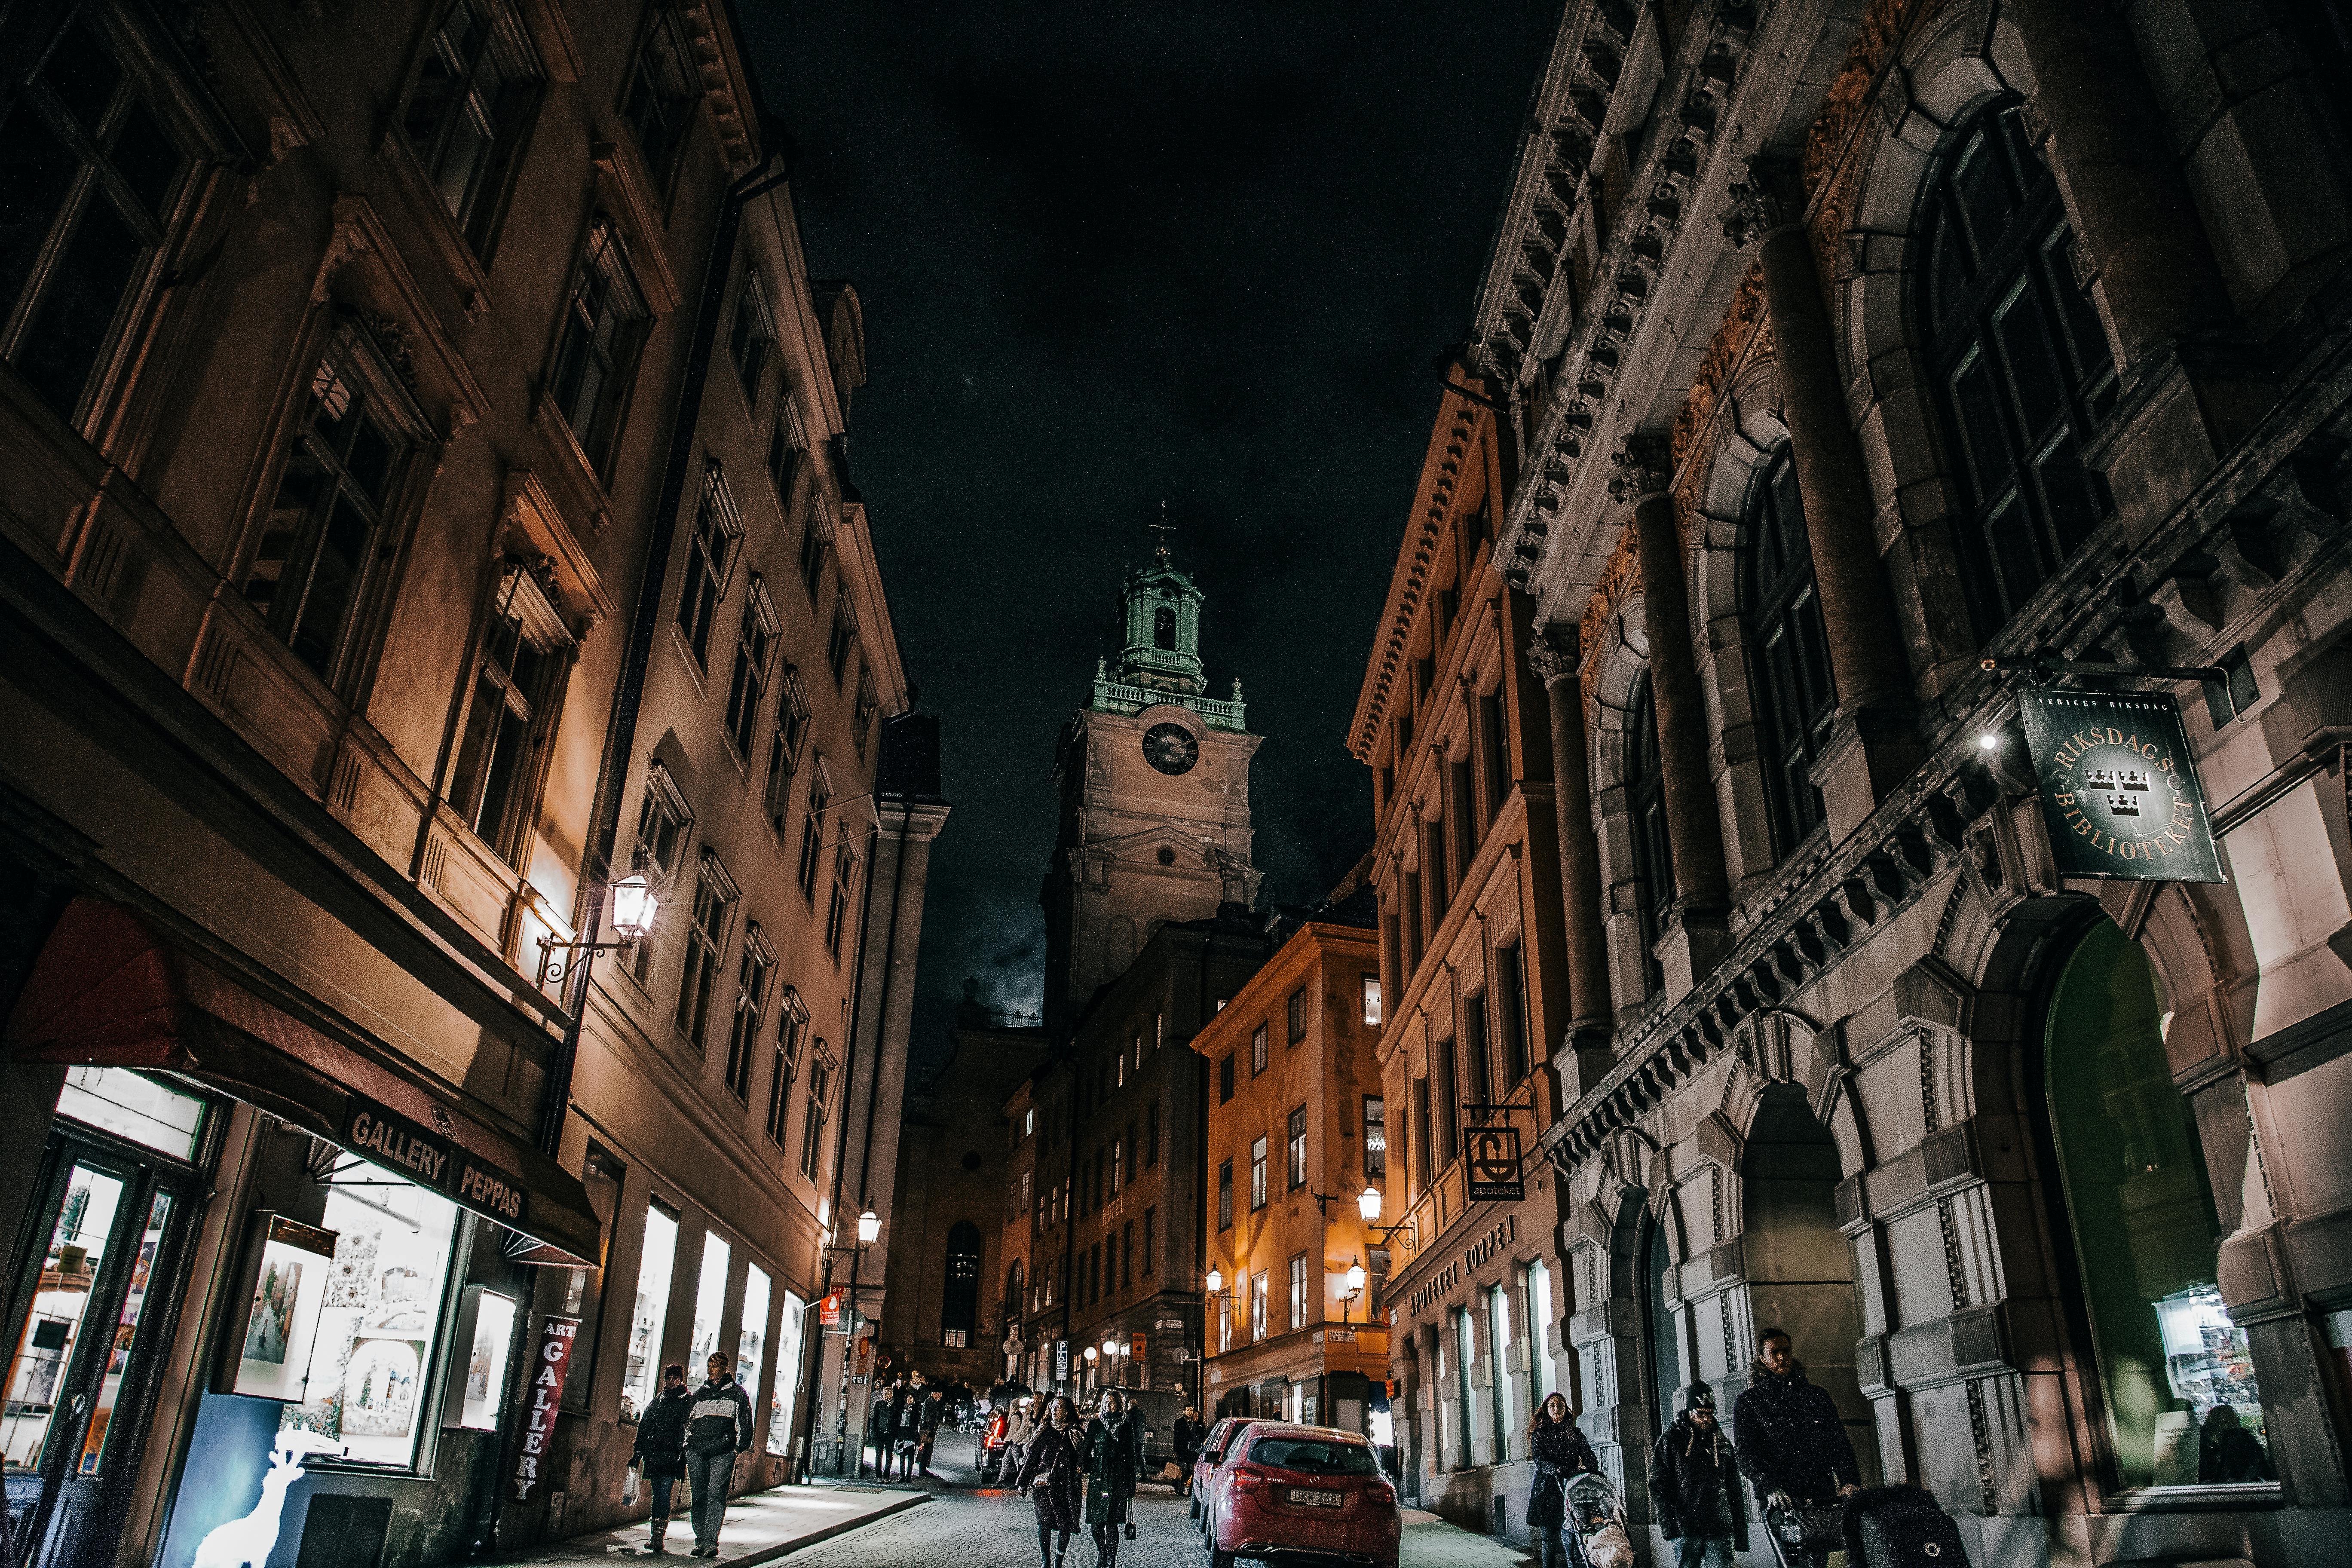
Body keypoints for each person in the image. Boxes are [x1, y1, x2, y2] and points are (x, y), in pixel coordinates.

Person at [1732, 1328, 1860, 1568]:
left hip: (1819, 1494)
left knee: (1819, 1561)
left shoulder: (1817, 1397)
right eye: (1774, 1353)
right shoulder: (1750, 1403)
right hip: (1781, 1501)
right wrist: (1770, 1487)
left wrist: (1849, 1480)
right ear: (1762, 1358)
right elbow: (1746, 1453)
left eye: (1785, 1351)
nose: (1781, 1358)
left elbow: (1839, 1442)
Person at [1650, 1383, 1747, 1568]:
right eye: (1700, 1414)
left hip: (1718, 1525)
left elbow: (1734, 1489)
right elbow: (1658, 1486)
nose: (1705, 1419)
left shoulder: (1721, 1443)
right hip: (1686, 1526)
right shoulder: (1671, 1441)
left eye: (1709, 1414)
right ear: (1689, 1411)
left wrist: (1740, 1534)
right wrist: (1670, 1525)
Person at [683, 1351, 753, 1558]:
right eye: (709, 1365)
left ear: (724, 1369)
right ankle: (701, 1539)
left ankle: (711, 1541)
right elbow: (688, 1422)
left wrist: (736, 1449)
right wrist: (688, 1444)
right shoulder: (700, 1395)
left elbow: (745, 1425)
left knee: (715, 1494)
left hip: (723, 1452)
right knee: (699, 1496)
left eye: (715, 1366)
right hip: (697, 1450)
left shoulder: (737, 1394)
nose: (711, 1370)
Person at [1524, 1390, 1600, 1568]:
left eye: (1560, 1406)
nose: (1557, 1409)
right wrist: (1556, 1470)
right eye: (1552, 1406)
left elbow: (1588, 1455)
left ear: (1566, 1409)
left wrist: (1591, 1470)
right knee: (1549, 1539)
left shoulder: (1575, 1433)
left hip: (1572, 1488)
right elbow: (1540, 1460)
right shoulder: (1540, 1434)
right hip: (1549, 1490)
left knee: (1574, 1536)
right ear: (1546, 1410)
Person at [1016, 1396, 1085, 1568]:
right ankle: (1045, 1560)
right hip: (1043, 1487)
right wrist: (1023, 1481)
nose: (1055, 1410)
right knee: (1044, 1523)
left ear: (1067, 1412)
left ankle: (1059, 1560)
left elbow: (1085, 1459)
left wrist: (1081, 1468)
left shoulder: (1075, 1434)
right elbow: (1032, 1458)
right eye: (1053, 1407)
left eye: (1059, 1407)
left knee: (1065, 1524)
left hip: (1066, 1488)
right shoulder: (1043, 1431)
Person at [630, 1364, 692, 1554]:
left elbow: (690, 1428)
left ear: (681, 1379)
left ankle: (658, 1537)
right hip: (655, 1455)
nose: (671, 1381)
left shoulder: (687, 1402)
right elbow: (645, 1427)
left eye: (675, 1377)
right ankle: (655, 1536)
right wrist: (638, 1454)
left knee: (663, 1493)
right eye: (668, 1377)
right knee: (658, 1494)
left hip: (673, 1456)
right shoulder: (658, 1402)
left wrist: (684, 1450)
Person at [1083, 1389, 1145, 1565]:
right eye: (1106, 1403)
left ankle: (1111, 1560)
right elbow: (1086, 1450)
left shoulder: (1126, 1427)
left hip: (1118, 1480)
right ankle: (1102, 1552)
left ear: (1119, 1406)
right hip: (1100, 1481)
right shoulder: (1095, 1425)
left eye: (1113, 1403)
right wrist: (1089, 1467)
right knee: (1096, 1524)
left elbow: (1131, 1456)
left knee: (1111, 1523)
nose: (1109, 1406)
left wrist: (1131, 1484)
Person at [2198, 1404, 2275, 1483]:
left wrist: (2240, 1480)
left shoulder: (2245, 1442)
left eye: (2227, 1422)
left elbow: (2259, 1467)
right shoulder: (2203, 1444)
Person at [874, 1375, 908, 1480]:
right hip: (880, 1432)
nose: (885, 1395)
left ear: (891, 1394)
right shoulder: (879, 1405)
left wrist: (897, 1434)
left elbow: (898, 1420)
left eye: (887, 1394)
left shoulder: (896, 1406)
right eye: (884, 1394)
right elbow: (875, 1419)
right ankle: (879, 1475)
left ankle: (887, 1475)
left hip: (891, 1433)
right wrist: (874, 1432)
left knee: (889, 1455)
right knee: (878, 1455)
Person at [1173, 1405, 1206, 1496]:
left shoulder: (1195, 1423)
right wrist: (1175, 1451)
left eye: (1192, 1410)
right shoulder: (1179, 1422)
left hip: (1192, 1451)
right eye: (1189, 1410)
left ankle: (1179, 1485)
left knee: (1190, 1472)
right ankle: (1180, 1490)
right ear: (1184, 1412)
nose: (1190, 1412)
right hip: (1183, 1450)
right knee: (1182, 1470)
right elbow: (1176, 1438)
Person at [918, 1384, 946, 1476]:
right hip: (928, 1430)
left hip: (928, 1429)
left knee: (927, 1450)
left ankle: (923, 1469)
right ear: (935, 1394)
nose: (941, 1397)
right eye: (940, 1394)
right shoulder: (931, 1402)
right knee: (927, 1450)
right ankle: (923, 1470)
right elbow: (929, 1418)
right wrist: (932, 1429)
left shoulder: (930, 1402)